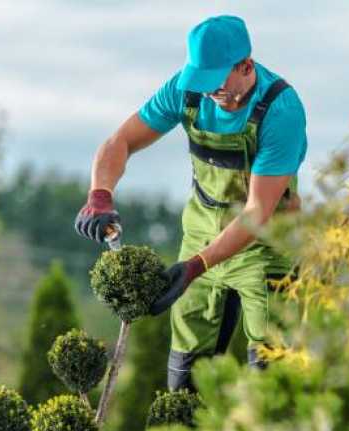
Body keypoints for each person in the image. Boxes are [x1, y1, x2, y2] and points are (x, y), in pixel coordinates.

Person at [74, 14, 307, 391]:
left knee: (272, 371)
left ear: (245, 66)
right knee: (186, 373)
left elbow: (256, 213)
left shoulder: (281, 111)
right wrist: (100, 194)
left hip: (266, 244)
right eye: (202, 81)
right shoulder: (186, 90)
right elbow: (121, 141)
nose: (209, 92)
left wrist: (195, 267)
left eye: (216, 82)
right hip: (200, 231)